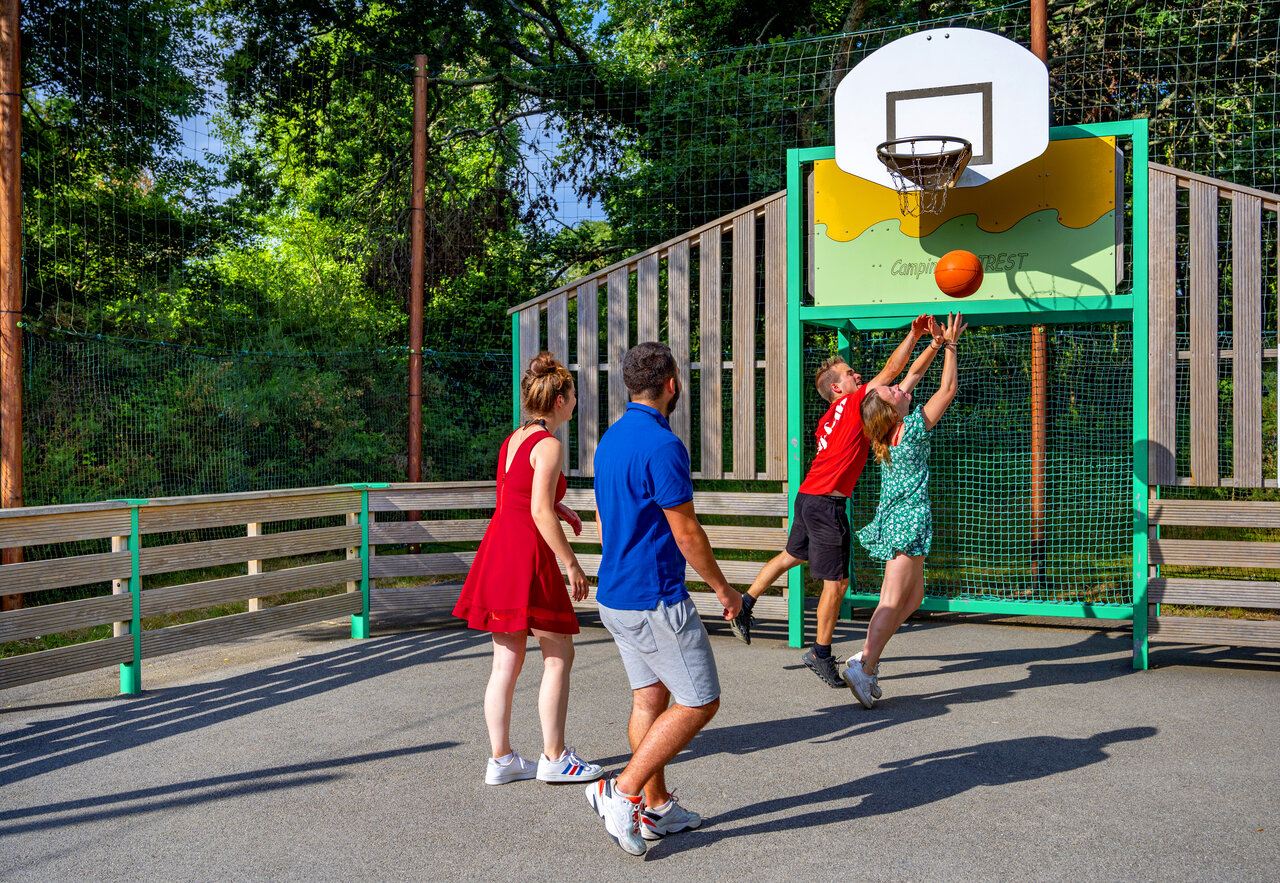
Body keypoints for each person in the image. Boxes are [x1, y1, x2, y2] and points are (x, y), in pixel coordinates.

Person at [585, 341, 743, 857]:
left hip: (616, 595)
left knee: (650, 699)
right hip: (655, 600)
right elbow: (687, 532)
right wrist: (724, 590)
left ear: (630, 385)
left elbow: (608, 521)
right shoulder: (662, 445)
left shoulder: (609, 441)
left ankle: (657, 807)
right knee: (700, 699)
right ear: (672, 384)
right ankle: (623, 791)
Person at [729, 314, 938, 692]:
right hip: (826, 503)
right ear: (839, 390)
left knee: (791, 556)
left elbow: (906, 382)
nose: (858, 377)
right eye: (851, 375)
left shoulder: (830, 417)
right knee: (836, 584)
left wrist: (934, 346)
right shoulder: (855, 405)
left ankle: (746, 601)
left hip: (808, 496)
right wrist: (913, 335)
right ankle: (820, 653)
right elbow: (895, 371)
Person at [453, 352, 604, 786]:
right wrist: (571, 562)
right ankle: (555, 757)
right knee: (559, 654)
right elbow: (537, 511)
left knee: (506, 661)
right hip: (527, 556)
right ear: (560, 399)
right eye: (573, 394)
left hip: (499, 550)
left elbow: (520, 494)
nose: (575, 401)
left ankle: (501, 760)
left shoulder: (515, 438)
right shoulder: (551, 445)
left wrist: (560, 507)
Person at [843, 312, 968, 708]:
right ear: (892, 411)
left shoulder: (890, 427)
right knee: (893, 602)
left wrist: (931, 342)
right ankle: (864, 666)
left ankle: (865, 659)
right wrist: (950, 345)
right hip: (906, 523)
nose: (897, 388)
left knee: (912, 600)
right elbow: (947, 390)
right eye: (892, 392)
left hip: (903, 522)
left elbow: (911, 375)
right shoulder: (911, 431)